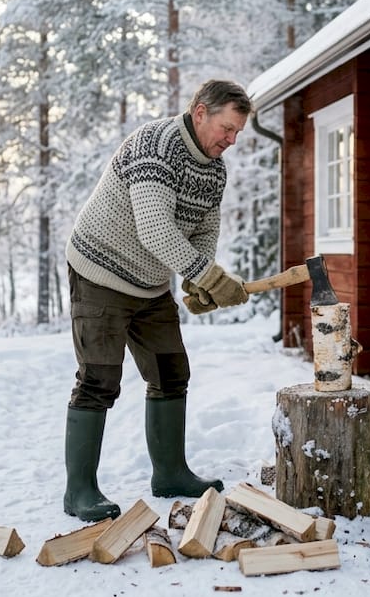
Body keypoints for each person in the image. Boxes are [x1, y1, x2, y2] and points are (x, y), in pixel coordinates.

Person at [61, 79, 254, 523]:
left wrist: (198, 281)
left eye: (237, 132)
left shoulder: (214, 168)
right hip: (100, 271)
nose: (231, 140)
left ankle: (170, 473)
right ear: (201, 112)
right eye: (226, 128)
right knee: (99, 379)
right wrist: (211, 277)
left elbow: (204, 228)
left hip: (149, 284)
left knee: (171, 372)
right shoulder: (156, 146)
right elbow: (155, 229)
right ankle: (79, 491)